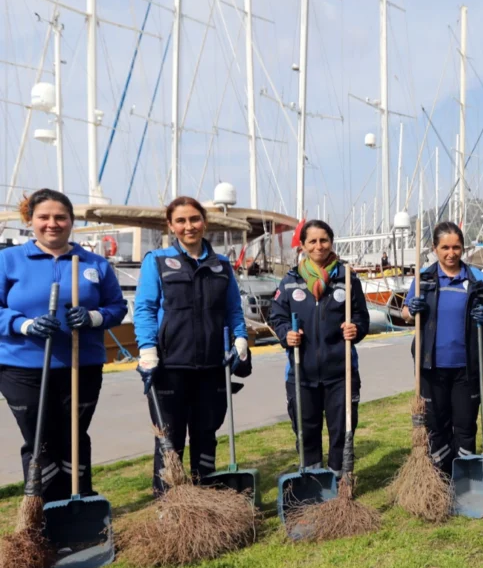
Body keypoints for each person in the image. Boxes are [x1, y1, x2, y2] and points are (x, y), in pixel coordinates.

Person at [0, 189, 127, 501]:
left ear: (72, 221)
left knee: (74, 436)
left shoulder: (94, 263)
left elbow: (117, 307)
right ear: (30, 220)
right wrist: (24, 324)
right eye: (44, 217)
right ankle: (43, 506)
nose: (52, 223)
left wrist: (94, 318)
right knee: (40, 437)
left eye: (61, 217)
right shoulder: (8, 260)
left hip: (79, 364)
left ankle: (79, 500)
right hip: (22, 366)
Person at [133, 196, 250, 496]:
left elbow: (233, 309)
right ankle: (168, 502)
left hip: (212, 366)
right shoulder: (156, 261)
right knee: (169, 440)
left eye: (194, 219)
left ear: (204, 222)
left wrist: (240, 340)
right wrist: (147, 351)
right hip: (170, 366)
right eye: (181, 221)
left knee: (206, 435)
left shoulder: (221, 265)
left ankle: (206, 495)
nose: (189, 226)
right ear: (171, 225)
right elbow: (145, 308)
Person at [270, 219, 369, 473]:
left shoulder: (347, 277)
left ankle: (339, 483)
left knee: (341, 431)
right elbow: (277, 316)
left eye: (323, 240)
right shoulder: (290, 281)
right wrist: (286, 334)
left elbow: (362, 317)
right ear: (302, 245)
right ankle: (313, 482)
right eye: (312, 241)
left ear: (331, 242)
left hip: (341, 373)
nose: (318, 246)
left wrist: (355, 328)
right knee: (306, 432)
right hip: (301, 374)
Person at [403, 222, 483, 471]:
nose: (451, 253)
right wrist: (412, 310)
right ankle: (442, 472)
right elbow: (405, 313)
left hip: (468, 365)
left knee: (465, 423)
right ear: (435, 248)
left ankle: (464, 471)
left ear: (463, 248)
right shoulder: (423, 279)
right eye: (445, 247)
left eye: (456, 247)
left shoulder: (475, 278)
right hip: (431, 365)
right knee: (436, 422)